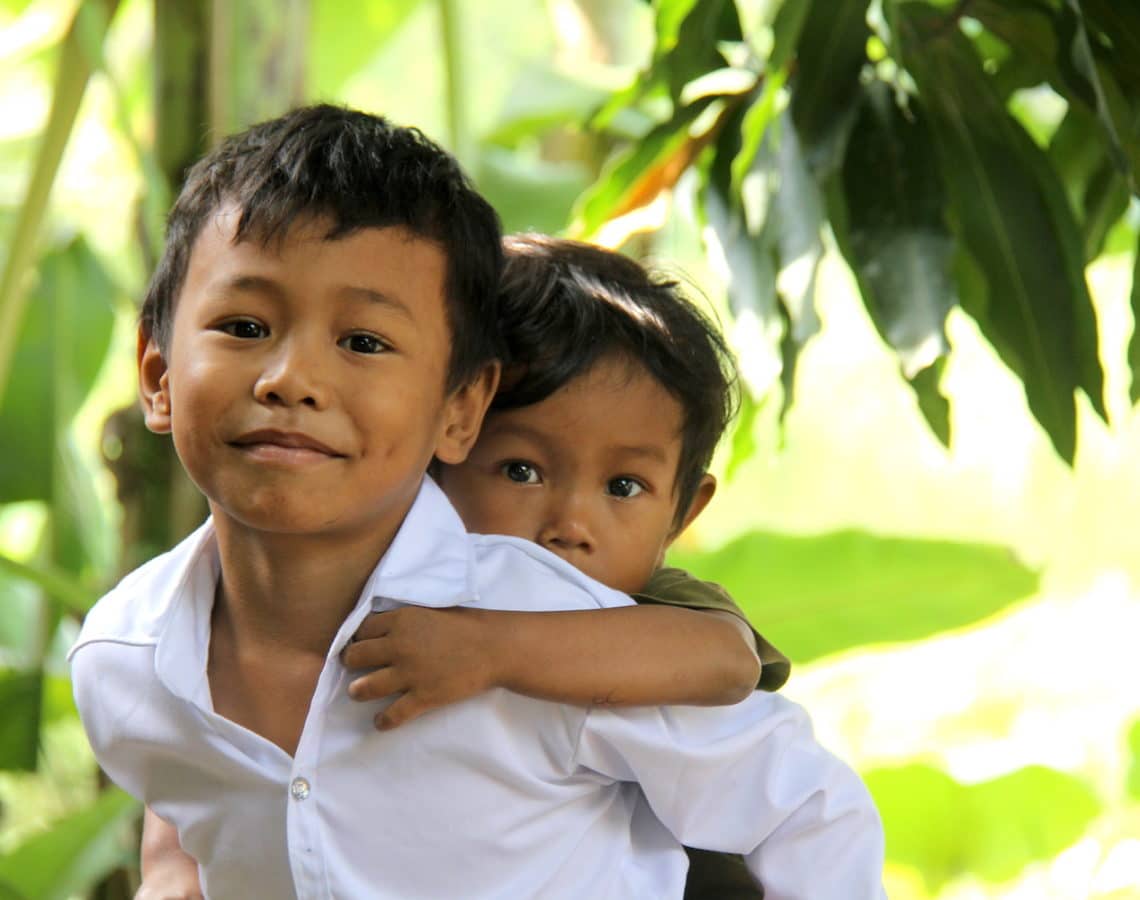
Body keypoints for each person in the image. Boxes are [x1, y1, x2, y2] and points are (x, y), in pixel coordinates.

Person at [70, 104, 885, 898]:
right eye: (245, 326)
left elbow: (804, 803)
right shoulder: (124, 662)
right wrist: (172, 872)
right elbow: (186, 788)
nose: (292, 380)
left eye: (363, 342)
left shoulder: (551, 630)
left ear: (460, 408)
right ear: (158, 377)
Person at [137, 233, 792, 898]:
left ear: (683, 512)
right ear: (440, 436)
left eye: (623, 487)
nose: (571, 525)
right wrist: (174, 865)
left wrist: (491, 647)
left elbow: (725, 659)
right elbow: (207, 732)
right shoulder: (356, 577)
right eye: (520, 471)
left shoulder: (630, 600)